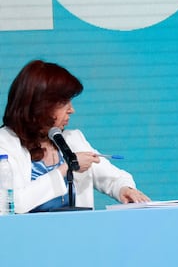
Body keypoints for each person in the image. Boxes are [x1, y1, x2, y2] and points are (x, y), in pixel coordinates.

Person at [0, 59, 150, 213]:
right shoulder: (4, 144)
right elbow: (13, 204)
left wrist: (124, 189)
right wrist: (65, 169)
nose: (72, 110)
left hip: (77, 234)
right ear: (41, 105)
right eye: (64, 102)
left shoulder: (73, 139)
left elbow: (114, 178)